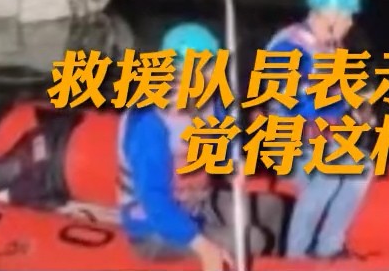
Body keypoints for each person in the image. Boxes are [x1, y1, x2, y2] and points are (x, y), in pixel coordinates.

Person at [118, 23, 275, 270]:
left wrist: (234, 164)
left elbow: (222, 149)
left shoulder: (212, 104)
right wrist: (202, 246)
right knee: (252, 239)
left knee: (272, 207)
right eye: (210, 67)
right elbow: (154, 202)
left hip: (197, 206)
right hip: (155, 228)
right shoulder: (149, 124)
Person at [264, 0, 371, 259]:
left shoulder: (333, 48)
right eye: (346, 16)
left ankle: (329, 246)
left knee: (361, 167)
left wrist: (357, 108)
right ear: (328, 15)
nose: (350, 23)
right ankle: (296, 254)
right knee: (327, 174)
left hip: (321, 140)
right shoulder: (288, 48)